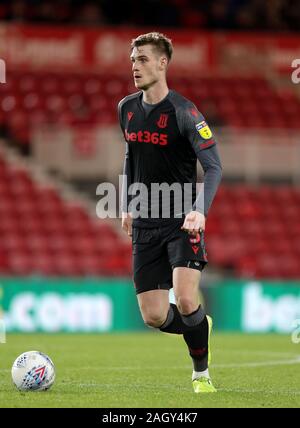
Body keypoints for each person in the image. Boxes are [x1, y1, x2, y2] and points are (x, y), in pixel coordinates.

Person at [118, 32, 222, 393]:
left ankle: (201, 374)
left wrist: (199, 210)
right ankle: (198, 325)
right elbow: (131, 155)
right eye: (133, 59)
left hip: (182, 220)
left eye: (143, 58)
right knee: (154, 316)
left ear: (163, 63)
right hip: (146, 221)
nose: (135, 65)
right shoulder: (126, 108)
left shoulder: (185, 112)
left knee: (187, 296)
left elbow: (213, 167)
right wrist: (129, 204)